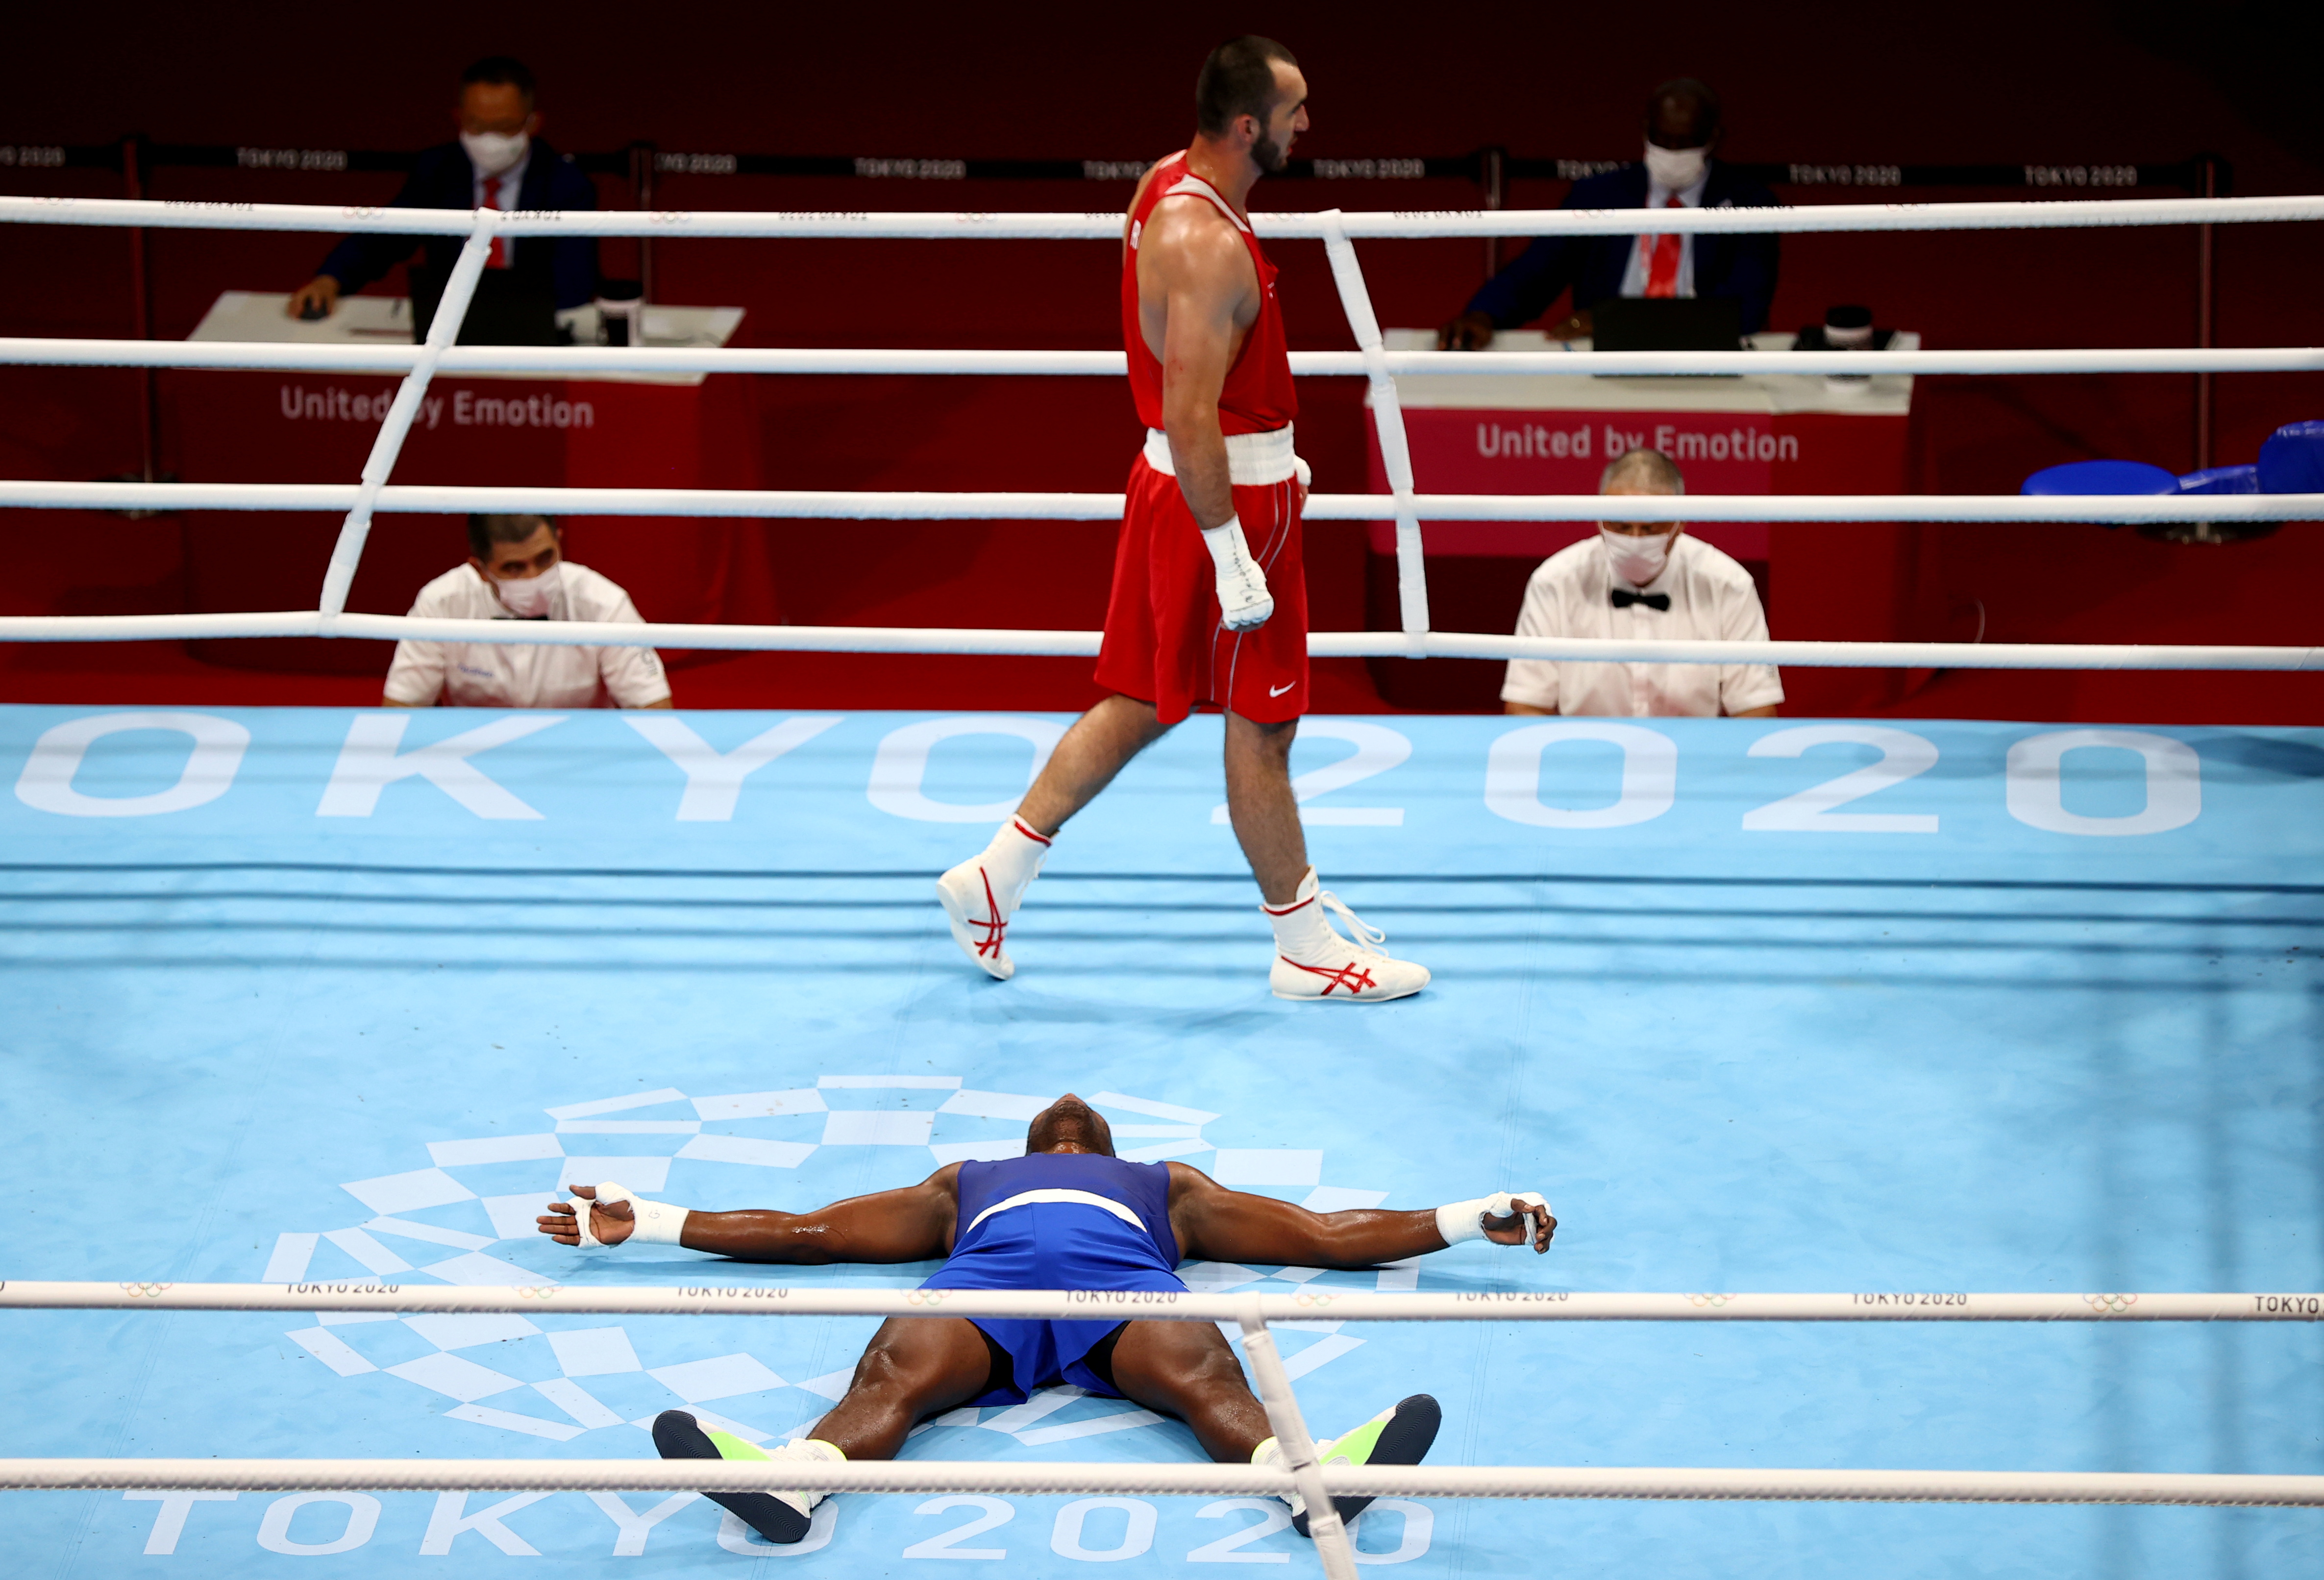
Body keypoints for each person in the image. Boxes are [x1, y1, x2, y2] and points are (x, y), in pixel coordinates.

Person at [933, 38, 1430, 1003]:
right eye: (1295, 111)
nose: (1307, 126)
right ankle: (1302, 944)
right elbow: (1191, 410)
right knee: (1261, 723)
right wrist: (1234, 548)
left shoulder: (1166, 181)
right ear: (1249, 127)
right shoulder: (1203, 244)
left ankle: (998, 871)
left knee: (1140, 697)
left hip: (1186, 485)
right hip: (1221, 501)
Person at [537, 1092, 1554, 1547]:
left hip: (1130, 1292)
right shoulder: (961, 1183)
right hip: (984, 1294)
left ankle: (1308, 1479)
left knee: (1209, 1382)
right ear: (1028, 1148)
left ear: (1106, 1149)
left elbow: (1325, 1232)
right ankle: (794, 1486)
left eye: (1083, 1125)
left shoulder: (1169, 1185)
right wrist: (658, 1220)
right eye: (1055, 1125)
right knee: (889, 1378)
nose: (1069, 1114)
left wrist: (1468, 1217)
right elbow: (814, 1230)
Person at [1439, 79, 1779, 348]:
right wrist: (1483, 314)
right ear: (1645, 131)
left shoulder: (1751, 204)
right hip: (1603, 353)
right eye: (1662, 140)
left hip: (1706, 357)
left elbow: (1745, 310)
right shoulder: (1599, 195)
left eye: (1685, 143)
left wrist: (1621, 322)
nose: (1671, 153)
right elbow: (1537, 271)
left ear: (1714, 139)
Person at [285, 57, 598, 326]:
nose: (489, 140)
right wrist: (330, 279)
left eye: (504, 127)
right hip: (446, 332)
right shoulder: (437, 170)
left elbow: (575, 282)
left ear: (533, 123)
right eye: (476, 126)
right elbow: (382, 239)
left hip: (536, 332)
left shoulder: (567, 184)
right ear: (458, 119)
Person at [1502, 448, 1781, 718]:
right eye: (1621, 526)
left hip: (1693, 758)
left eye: (1650, 528)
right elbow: (1526, 706)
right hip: (1585, 756)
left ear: (1679, 524)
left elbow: (1756, 708)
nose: (1635, 540)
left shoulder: (1730, 585)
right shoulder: (1554, 582)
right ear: (1598, 517)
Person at [382, 514, 673, 709]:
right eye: (514, 568)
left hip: (581, 760)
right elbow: (401, 709)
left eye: (545, 558)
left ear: (559, 542)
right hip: (471, 759)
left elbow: (654, 710)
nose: (534, 578)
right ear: (480, 570)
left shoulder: (604, 602)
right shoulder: (441, 603)